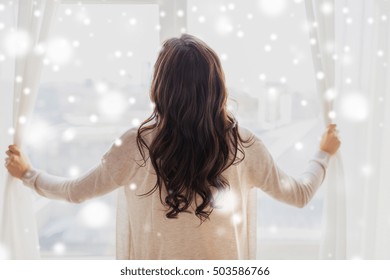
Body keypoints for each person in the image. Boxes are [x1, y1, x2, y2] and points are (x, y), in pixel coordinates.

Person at [4, 34, 340, 259]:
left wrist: (28, 174)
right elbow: (299, 195)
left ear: (160, 86)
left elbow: (75, 191)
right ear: (217, 86)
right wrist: (323, 153)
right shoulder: (244, 145)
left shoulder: (135, 146)